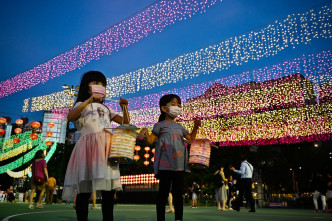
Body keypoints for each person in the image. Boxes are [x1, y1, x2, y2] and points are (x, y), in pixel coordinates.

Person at [62, 71, 130, 221]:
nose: (100, 87)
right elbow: (70, 117)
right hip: (88, 148)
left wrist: (124, 107)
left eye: (103, 84)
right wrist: (89, 100)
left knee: (108, 190)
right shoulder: (81, 105)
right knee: (84, 190)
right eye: (96, 83)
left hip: (106, 148)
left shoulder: (107, 108)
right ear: (87, 87)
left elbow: (125, 123)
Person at [141, 94, 201, 221]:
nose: (178, 107)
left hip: (179, 165)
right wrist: (145, 134)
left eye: (179, 105)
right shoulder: (160, 125)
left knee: (178, 194)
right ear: (164, 108)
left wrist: (195, 127)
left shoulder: (180, 126)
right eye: (173, 104)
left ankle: (178, 218)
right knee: (163, 193)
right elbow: (151, 140)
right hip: (165, 164)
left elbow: (190, 138)